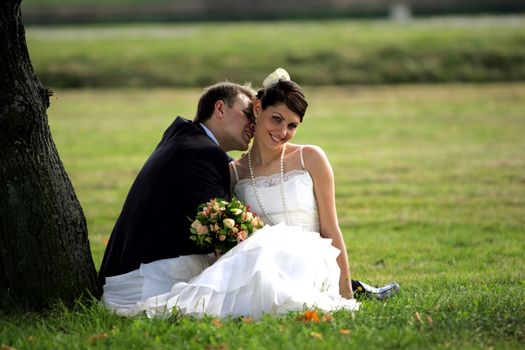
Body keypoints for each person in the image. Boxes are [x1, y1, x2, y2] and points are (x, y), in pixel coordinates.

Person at [119, 69, 398, 319]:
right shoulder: (233, 172)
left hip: (312, 258)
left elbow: (331, 228)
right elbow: (228, 234)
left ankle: (355, 288)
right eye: (276, 119)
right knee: (243, 278)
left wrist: (345, 292)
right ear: (258, 108)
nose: (282, 132)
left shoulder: (310, 158)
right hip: (259, 263)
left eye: (292, 125)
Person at [99, 82, 257, 311]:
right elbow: (223, 233)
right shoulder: (202, 153)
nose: (254, 124)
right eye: (247, 114)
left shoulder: (186, 137)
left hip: (128, 264)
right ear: (220, 109)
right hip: (145, 277)